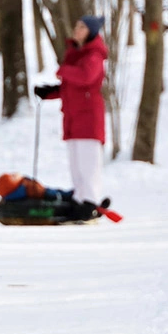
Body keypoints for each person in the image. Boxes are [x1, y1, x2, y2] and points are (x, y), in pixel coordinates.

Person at [34, 15, 110, 215]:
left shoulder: (94, 55)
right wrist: (50, 92)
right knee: (76, 162)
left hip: (89, 117)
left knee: (88, 162)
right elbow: (71, 87)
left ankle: (90, 200)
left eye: (82, 27)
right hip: (74, 117)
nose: (77, 30)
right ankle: (80, 198)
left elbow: (86, 77)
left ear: (91, 32)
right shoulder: (76, 56)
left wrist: (63, 70)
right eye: (76, 26)